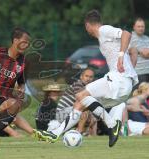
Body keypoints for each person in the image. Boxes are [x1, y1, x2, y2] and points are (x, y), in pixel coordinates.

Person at [35, 10, 138, 147]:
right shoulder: (104, 38)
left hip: (119, 80)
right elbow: (134, 50)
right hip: (124, 84)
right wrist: (130, 68)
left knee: (81, 95)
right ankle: (55, 134)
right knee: (80, 103)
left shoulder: (104, 30)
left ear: (87, 25)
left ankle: (113, 124)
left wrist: (120, 57)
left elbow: (127, 33)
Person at [45, 68, 96, 136]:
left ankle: (92, 136)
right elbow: (83, 102)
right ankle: (79, 132)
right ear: (81, 76)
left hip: (70, 112)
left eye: (90, 77)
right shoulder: (78, 85)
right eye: (86, 76)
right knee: (85, 109)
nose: (88, 79)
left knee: (93, 117)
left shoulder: (88, 88)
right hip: (61, 114)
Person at [129, 18, 149, 83]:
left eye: (142, 26)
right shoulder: (132, 38)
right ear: (134, 27)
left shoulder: (147, 38)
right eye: (138, 26)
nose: (141, 28)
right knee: (141, 92)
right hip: (140, 73)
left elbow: (147, 53)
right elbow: (145, 53)